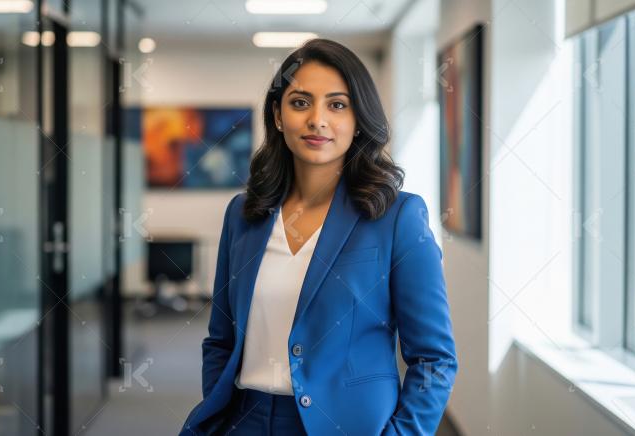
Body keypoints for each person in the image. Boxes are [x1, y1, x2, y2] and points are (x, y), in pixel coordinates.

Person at [180, 38, 457, 435]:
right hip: (244, 420)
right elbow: (220, 339)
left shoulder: (397, 217)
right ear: (277, 116)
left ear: (358, 118)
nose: (317, 120)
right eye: (300, 102)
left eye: (337, 104)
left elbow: (434, 358)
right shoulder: (244, 215)